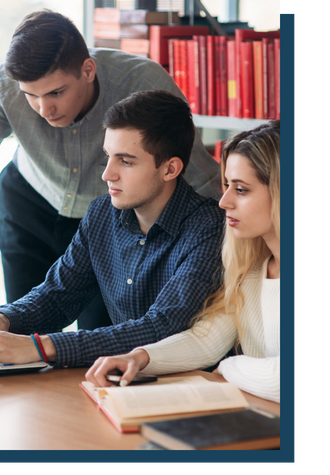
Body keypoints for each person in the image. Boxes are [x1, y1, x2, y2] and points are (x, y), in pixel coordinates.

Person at [0, 9, 222, 331]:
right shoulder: (5, 86)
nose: (43, 109)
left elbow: (193, 169)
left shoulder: (142, 82)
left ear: (87, 69)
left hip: (104, 220)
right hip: (28, 206)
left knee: (98, 335)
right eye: (30, 96)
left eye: (56, 92)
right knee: (18, 324)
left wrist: (233, 242)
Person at [0, 90, 225, 370]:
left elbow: (161, 328)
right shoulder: (102, 214)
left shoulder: (209, 229)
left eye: (126, 161)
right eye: (108, 156)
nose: (108, 174)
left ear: (170, 169)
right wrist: (5, 318)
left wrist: (41, 347)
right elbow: (59, 295)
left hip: (190, 388)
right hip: (123, 382)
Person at [85, 121, 281, 403]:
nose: (223, 201)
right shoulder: (252, 272)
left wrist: (228, 367)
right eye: (226, 186)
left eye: (240, 190)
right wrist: (139, 358)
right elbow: (207, 340)